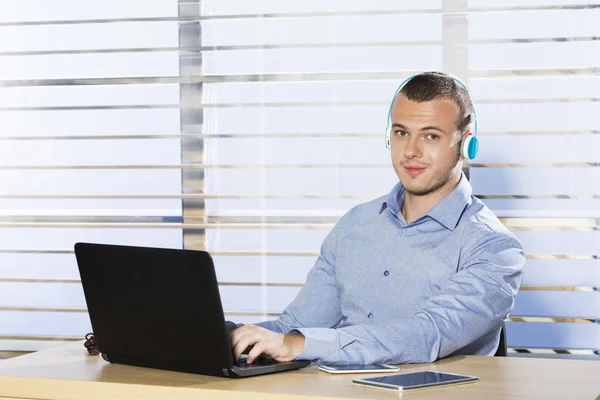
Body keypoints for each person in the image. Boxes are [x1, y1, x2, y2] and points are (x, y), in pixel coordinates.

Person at [228, 71, 526, 365]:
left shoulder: (495, 248)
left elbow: (427, 334)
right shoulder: (356, 224)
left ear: (465, 144)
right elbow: (294, 328)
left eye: (431, 135)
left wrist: (298, 344)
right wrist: (226, 336)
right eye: (401, 133)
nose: (411, 151)